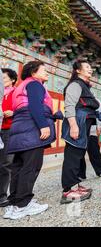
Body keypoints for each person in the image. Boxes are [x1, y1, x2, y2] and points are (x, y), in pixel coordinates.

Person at [4, 61, 62, 220]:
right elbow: (35, 106)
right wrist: (43, 125)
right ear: (33, 72)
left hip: (19, 131)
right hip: (31, 131)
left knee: (18, 167)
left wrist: (52, 116)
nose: (47, 73)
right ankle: (23, 204)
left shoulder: (20, 87)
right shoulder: (35, 85)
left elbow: (24, 108)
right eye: (44, 70)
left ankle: (14, 203)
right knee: (31, 166)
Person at [60, 60, 100, 204]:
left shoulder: (84, 85)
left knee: (78, 155)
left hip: (84, 123)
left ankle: (75, 185)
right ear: (78, 70)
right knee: (73, 155)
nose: (91, 69)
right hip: (77, 122)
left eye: (91, 66)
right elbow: (69, 106)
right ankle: (68, 191)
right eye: (87, 67)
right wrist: (73, 125)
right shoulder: (75, 84)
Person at [78, 97, 101, 180]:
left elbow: (100, 111)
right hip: (79, 129)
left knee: (94, 150)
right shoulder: (76, 97)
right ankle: (81, 174)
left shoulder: (94, 99)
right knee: (79, 152)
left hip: (92, 128)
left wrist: (99, 125)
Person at [0, 68, 18, 207]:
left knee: (6, 163)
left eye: (4, 78)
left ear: (12, 80)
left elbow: (24, 107)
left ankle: (2, 196)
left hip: (8, 130)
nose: (2, 81)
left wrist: (13, 112)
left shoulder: (16, 93)